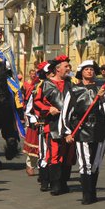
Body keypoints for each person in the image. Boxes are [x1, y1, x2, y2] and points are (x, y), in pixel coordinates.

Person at [61, 60, 105, 204]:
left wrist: (103, 98)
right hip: (81, 129)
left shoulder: (103, 89)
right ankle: (87, 194)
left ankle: (93, 192)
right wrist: (67, 132)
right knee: (85, 164)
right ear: (81, 72)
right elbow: (66, 112)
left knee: (96, 163)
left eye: (92, 69)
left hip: (99, 129)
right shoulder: (74, 90)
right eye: (86, 69)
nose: (89, 71)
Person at [34, 55, 74, 196]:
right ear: (58, 69)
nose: (69, 69)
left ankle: (63, 182)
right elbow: (37, 103)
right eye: (66, 67)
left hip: (69, 125)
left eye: (69, 66)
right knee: (54, 154)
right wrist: (48, 109)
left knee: (68, 155)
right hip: (53, 124)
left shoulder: (71, 84)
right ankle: (55, 184)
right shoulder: (45, 84)